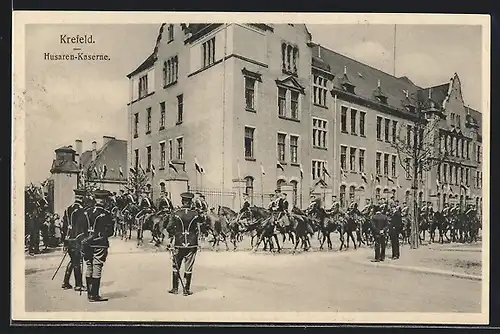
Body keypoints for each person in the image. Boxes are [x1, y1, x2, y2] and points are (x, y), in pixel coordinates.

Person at [165, 192, 203, 296]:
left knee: (176, 265)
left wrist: (174, 234)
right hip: (192, 244)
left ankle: (175, 288)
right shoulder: (195, 214)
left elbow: (169, 227)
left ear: (182, 201)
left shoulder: (176, 213)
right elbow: (202, 223)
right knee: (189, 266)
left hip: (178, 243)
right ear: (191, 202)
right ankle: (186, 290)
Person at [82, 189, 115, 302]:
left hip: (87, 243)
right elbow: (110, 232)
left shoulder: (87, 211)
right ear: (104, 200)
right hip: (100, 244)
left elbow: (82, 229)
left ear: (96, 199)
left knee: (89, 265)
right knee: (97, 266)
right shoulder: (106, 214)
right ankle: (94, 295)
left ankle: (89, 294)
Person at [61, 189, 88, 291]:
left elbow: (64, 226)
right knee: (77, 261)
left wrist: (64, 241)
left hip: (68, 238)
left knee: (73, 261)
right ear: (83, 198)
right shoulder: (81, 210)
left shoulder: (68, 209)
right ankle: (78, 285)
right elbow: (82, 227)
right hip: (77, 239)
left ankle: (65, 282)